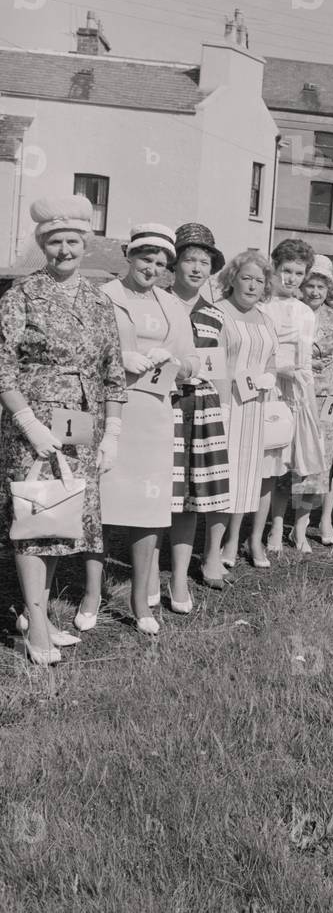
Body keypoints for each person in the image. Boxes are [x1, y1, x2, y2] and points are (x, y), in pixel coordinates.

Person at [0, 195, 126, 664]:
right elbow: (2, 364)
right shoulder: (22, 294)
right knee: (34, 519)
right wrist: (26, 421)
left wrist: (111, 431)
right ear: (43, 245)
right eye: (55, 241)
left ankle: (39, 617)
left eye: (73, 240)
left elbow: (114, 371)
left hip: (78, 420)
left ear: (85, 245)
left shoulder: (97, 300)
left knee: (60, 516)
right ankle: (35, 630)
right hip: (33, 422)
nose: (65, 250)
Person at [101, 224, 199, 635]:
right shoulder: (103, 297)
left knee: (147, 508)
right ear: (129, 254)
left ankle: (142, 600)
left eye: (161, 263)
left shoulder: (171, 305)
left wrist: (170, 361)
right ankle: (94, 594)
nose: (152, 268)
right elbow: (88, 347)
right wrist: (120, 357)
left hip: (155, 412)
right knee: (103, 501)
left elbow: (192, 363)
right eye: (145, 258)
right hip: (111, 411)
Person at [153, 223, 231, 609]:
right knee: (157, 492)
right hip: (158, 406)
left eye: (204, 261)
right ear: (175, 264)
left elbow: (217, 368)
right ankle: (149, 572)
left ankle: (179, 579)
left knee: (188, 497)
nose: (197, 268)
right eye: (189, 259)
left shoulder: (214, 315)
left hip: (199, 408)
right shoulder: (155, 301)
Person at [258, 239, 324, 557]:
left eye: (299, 272)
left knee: (305, 462)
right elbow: (259, 353)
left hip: (300, 392)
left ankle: (293, 530)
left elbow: (307, 358)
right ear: (275, 268)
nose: (292, 278)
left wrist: (306, 388)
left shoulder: (305, 312)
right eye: (287, 270)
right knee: (273, 464)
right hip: (272, 389)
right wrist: (282, 369)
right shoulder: (262, 305)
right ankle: (267, 527)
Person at [216, 252, 279, 575]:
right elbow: (214, 361)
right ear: (232, 279)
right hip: (228, 406)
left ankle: (238, 539)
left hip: (256, 408)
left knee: (250, 477)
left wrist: (269, 376)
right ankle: (216, 546)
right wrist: (223, 405)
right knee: (226, 477)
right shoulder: (219, 313)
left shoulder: (266, 319)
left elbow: (271, 358)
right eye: (246, 278)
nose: (253, 286)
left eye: (259, 280)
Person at [292, 255, 333, 549]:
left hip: (326, 397)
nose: (316, 292)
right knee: (290, 460)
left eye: (322, 286)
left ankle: (301, 525)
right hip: (293, 391)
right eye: (311, 285)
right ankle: (276, 525)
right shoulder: (291, 314)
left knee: (320, 461)